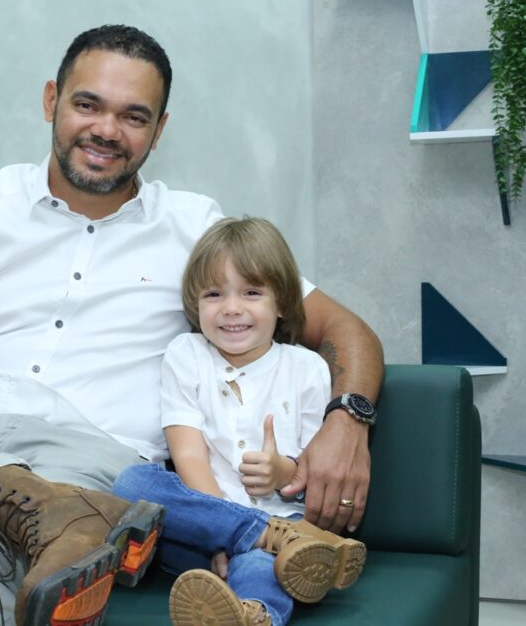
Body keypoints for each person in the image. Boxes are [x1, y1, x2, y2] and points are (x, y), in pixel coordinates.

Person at [0, 24, 384, 626]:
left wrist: (348, 419)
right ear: (51, 100)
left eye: (133, 116)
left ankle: (43, 510)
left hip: (95, 475)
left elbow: (344, 328)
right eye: (87, 104)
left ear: (159, 130)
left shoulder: (193, 228)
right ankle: (7, 498)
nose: (106, 129)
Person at [112, 217, 367, 626]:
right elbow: (188, 455)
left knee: (260, 565)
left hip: (285, 522)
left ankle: (254, 615)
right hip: (202, 529)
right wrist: (220, 530)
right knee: (131, 483)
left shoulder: (307, 369)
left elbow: (311, 471)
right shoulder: (186, 354)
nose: (231, 308)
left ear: (281, 302)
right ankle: (260, 535)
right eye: (214, 294)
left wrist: (282, 472)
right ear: (195, 304)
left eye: (251, 293)